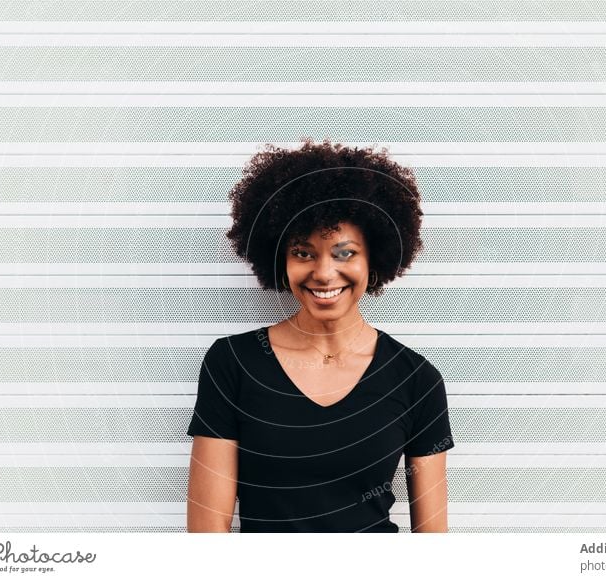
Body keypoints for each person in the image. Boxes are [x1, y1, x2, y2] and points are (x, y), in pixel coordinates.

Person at [186, 138, 455, 532]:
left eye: (344, 253)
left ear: (374, 259)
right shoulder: (233, 363)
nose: (325, 273)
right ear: (279, 258)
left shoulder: (417, 379)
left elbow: (433, 545)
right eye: (303, 252)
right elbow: (206, 537)